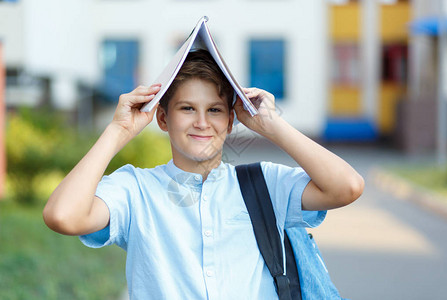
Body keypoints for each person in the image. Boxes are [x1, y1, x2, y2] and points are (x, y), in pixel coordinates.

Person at [43, 50, 364, 299]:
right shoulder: (136, 190)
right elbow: (62, 215)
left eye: (214, 110)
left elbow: (347, 187)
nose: (201, 122)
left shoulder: (266, 184)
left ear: (230, 121)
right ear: (163, 119)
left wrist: (272, 125)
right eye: (187, 109)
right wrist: (118, 130)